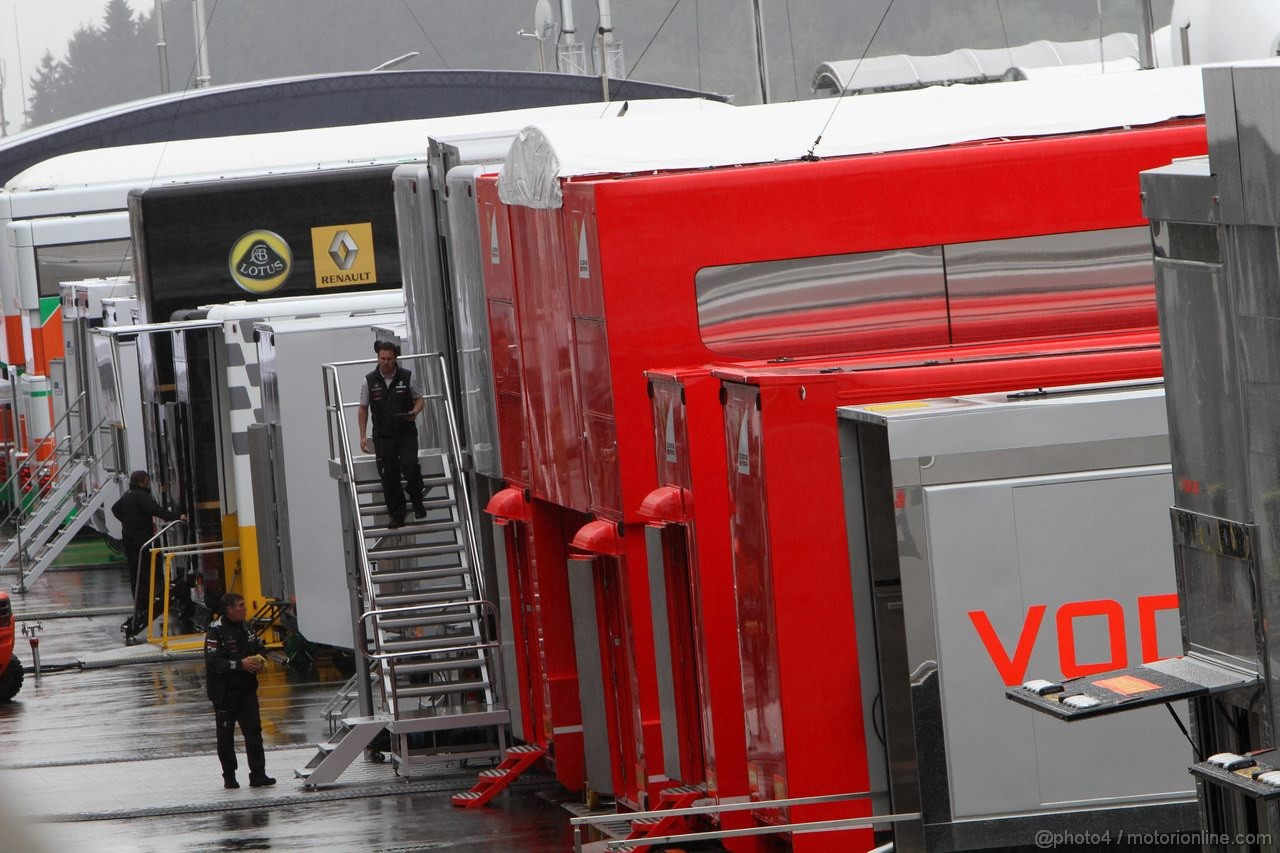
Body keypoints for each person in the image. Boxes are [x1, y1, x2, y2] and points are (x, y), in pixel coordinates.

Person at [204, 592, 275, 789]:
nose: (245, 608)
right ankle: (229, 776)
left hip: (247, 690)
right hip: (224, 693)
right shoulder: (215, 632)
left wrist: (259, 660)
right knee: (225, 737)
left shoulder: (247, 627)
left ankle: (258, 774)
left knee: (254, 731)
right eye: (241, 605)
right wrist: (240, 664)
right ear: (229, 610)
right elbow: (213, 662)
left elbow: (260, 648)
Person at [357, 341, 426, 529]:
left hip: (406, 434)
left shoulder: (407, 377)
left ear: (395, 358)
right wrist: (362, 436)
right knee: (389, 475)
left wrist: (415, 411)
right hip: (383, 436)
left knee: (410, 465)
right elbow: (363, 408)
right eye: (382, 358)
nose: (385, 362)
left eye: (389, 359)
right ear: (378, 358)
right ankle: (397, 516)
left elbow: (420, 399)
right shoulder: (369, 381)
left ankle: (417, 500)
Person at [111, 470, 184, 639]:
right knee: (147, 570)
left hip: (129, 540)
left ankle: (139, 603)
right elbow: (156, 510)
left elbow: (115, 509)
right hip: (141, 539)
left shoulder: (127, 495)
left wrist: (127, 522)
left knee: (135, 572)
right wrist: (176, 517)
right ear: (143, 482)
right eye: (147, 481)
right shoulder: (141, 496)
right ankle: (147, 600)